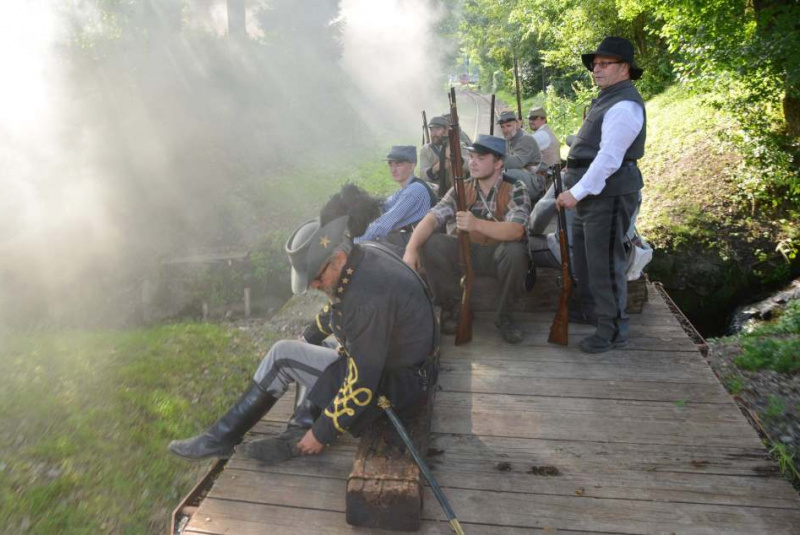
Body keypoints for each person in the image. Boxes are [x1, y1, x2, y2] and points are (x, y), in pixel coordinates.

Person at [168, 186, 438, 463]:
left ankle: (219, 440)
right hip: (401, 367)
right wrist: (309, 337)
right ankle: (296, 431)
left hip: (398, 388)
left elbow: (362, 382)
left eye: (316, 279)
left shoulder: (366, 299)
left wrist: (323, 433)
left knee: (282, 355)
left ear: (338, 259)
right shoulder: (361, 257)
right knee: (306, 349)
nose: (314, 286)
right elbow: (338, 306)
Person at [555, 36, 646, 354]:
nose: (596, 69)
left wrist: (576, 192)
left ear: (624, 68)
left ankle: (612, 330)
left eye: (605, 64)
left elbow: (609, 158)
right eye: (595, 64)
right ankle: (594, 313)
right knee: (586, 260)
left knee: (605, 264)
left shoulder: (624, 105)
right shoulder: (609, 99)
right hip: (594, 195)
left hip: (608, 195)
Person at [404, 134, 531, 344]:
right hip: (468, 251)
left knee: (516, 253)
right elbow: (433, 217)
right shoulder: (462, 188)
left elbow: (516, 230)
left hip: (498, 254)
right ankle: (455, 308)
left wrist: (476, 224)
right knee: (431, 244)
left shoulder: (515, 188)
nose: (472, 162)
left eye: (481, 158)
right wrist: (411, 249)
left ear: (498, 163)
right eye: (471, 157)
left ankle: (505, 317)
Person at [356, 146, 437, 251]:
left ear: (412, 166)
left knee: (374, 244)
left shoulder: (414, 190)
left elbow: (384, 223)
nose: (393, 170)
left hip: (423, 246)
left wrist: (355, 243)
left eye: (398, 164)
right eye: (390, 164)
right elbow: (384, 206)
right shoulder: (406, 189)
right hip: (416, 240)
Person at [497, 110, 546, 204]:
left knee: (509, 174)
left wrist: (494, 157)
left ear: (517, 124)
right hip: (525, 177)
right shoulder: (509, 139)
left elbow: (517, 163)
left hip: (535, 182)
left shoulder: (525, 139)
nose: (505, 130)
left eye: (508, 126)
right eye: (502, 127)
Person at [419, 116, 468, 198]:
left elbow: (469, 166)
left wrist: (456, 158)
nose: (434, 133)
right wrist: (436, 168)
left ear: (446, 131)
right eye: (432, 130)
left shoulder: (458, 146)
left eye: (437, 129)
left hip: (458, 193)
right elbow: (423, 176)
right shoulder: (425, 150)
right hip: (435, 193)